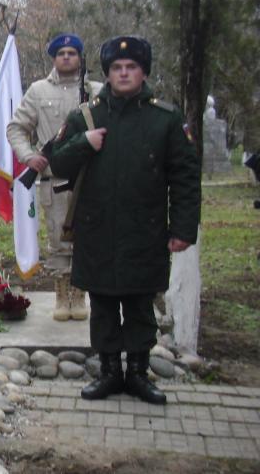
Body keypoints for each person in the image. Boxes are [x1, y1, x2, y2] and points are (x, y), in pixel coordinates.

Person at [50, 36, 201, 404]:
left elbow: (184, 175)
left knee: (139, 305)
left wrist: (182, 228)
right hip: (97, 229)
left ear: (143, 71)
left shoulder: (165, 119)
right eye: (116, 68)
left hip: (144, 231)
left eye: (131, 67)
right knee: (102, 305)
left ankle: (137, 373)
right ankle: (109, 373)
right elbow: (58, 163)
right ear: (108, 74)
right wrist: (84, 142)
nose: (123, 73)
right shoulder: (87, 115)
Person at [7, 33, 101, 322]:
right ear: (53, 58)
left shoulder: (96, 90)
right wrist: (28, 157)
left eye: (72, 53)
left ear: (80, 57)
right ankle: (62, 293)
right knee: (59, 239)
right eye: (61, 54)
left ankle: (80, 294)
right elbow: (16, 128)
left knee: (88, 238)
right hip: (54, 177)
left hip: (90, 176)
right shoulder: (37, 91)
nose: (67, 57)